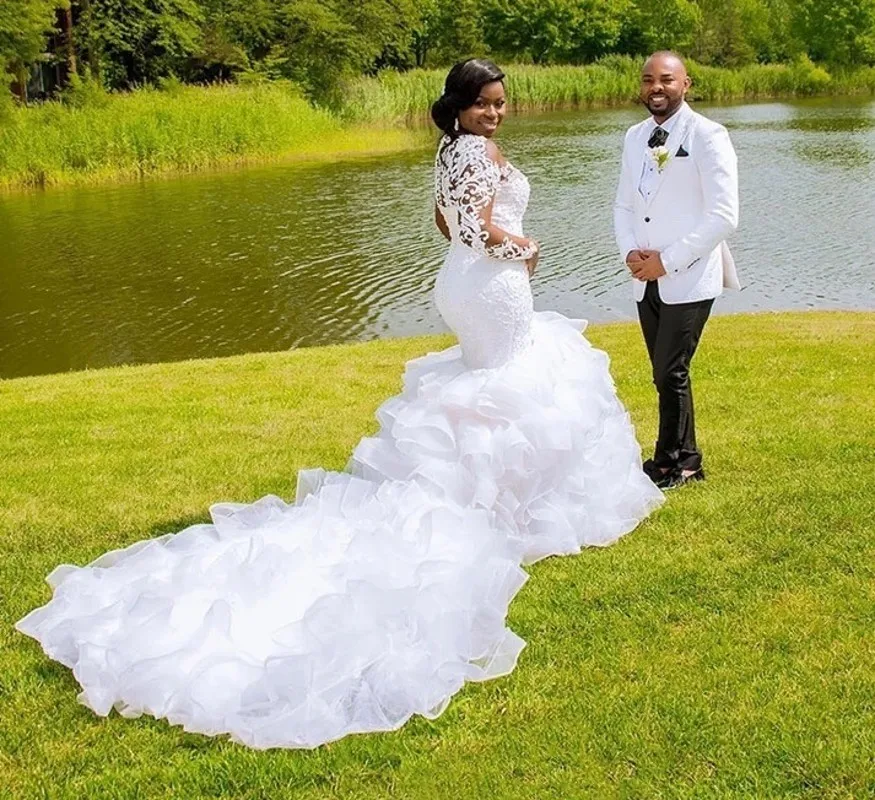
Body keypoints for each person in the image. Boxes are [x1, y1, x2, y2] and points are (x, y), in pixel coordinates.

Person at [16, 59, 662, 750]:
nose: (495, 114)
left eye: (501, 104)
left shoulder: (450, 149)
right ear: (460, 105)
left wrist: (490, 252)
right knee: (513, 382)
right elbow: (474, 232)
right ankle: (502, 509)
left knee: (497, 386)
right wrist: (525, 249)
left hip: (465, 284)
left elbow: (443, 226)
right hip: (491, 285)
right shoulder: (471, 150)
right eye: (484, 104)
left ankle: (499, 499)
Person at [614, 51, 740, 490]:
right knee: (667, 373)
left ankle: (667, 462)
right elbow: (625, 204)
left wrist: (665, 262)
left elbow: (724, 215)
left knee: (670, 371)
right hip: (643, 278)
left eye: (666, 79)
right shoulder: (634, 137)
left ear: (685, 84)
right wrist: (631, 252)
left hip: (688, 275)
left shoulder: (708, 135)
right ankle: (686, 460)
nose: (656, 87)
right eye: (648, 79)